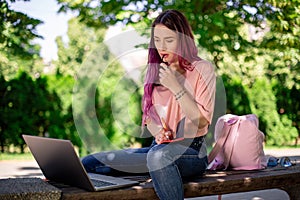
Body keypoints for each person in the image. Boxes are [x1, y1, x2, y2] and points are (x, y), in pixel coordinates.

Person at [82, 9, 216, 200]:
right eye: (157, 40)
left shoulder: (202, 69)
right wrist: (159, 132)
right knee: (89, 162)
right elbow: (149, 118)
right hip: (158, 148)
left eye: (169, 40)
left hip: (192, 152)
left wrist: (176, 87)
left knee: (158, 157)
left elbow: (202, 121)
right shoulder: (153, 72)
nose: (162, 47)